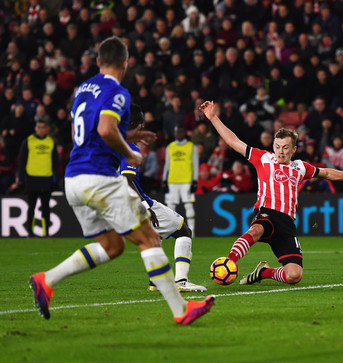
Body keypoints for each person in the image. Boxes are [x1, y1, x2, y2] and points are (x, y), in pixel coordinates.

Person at [28, 37, 214, 325]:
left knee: (112, 246)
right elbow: (105, 129)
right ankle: (181, 310)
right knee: (150, 238)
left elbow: (95, 130)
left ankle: (46, 279)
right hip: (99, 177)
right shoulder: (118, 92)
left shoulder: (83, 90)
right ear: (126, 63)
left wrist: (130, 136)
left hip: (73, 179)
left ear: (99, 61)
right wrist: (130, 152)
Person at [199, 100, 343, 286]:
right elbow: (233, 141)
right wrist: (213, 117)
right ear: (273, 146)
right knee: (256, 230)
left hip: (286, 223)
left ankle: (263, 273)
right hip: (266, 212)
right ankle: (229, 261)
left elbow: (328, 173)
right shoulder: (263, 158)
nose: (280, 151)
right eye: (278, 146)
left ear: (294, 149)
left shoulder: (301, 167)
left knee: (294, 276)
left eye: (285, 147)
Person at [122, 104, 206, 293]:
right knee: (183, 230)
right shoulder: (129, 148)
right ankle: (181, 280)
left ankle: (155, 281)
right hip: (136, 202)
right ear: (134, 124)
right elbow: (126, 180)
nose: (142, 129)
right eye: (140, 126)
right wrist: (144, 206)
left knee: (154, 237)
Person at [12, 119, 58, 237]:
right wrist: (20, 178)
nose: (41, 129)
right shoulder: (28, 141)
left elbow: (55, 163)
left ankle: (46, 233)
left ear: (47, 129)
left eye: (43, 127)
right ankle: (29, 233)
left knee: (46, 207)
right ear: (35, 128)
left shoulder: (51, 142)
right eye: (39, 127)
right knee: (31, 206)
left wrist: (55, 179)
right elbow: (21, 161)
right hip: (32, 178)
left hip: (46, 178)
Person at [162, 125, 198, 236]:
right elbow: (167, 164)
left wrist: (195, 180)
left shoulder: (191, 146)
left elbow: (195, 164)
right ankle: (170, 232)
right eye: (177, 132)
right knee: (170, 208)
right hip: (172, 180)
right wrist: (164, 180)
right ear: (175, 133)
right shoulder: (170, 147)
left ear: (184, 133)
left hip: (186, 180)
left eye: (181, 132)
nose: (179, 134)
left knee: (188, 205)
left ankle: (192, 233)